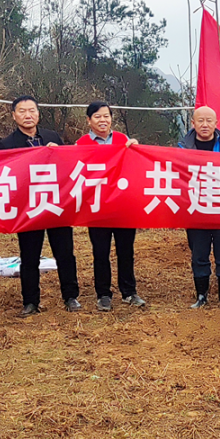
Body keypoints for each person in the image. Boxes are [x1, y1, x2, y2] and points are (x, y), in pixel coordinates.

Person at [0, 95, 81, 316]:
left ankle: (71, 297)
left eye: (31, 110)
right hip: (28, 208)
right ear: (14, 115)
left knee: (65, 253)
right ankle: (30, 301)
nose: (27, 115)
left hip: (55, 204)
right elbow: (4, 175)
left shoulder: (52, 137)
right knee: (29, 256)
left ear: (38, 113)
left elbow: (68, 168)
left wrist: (60, 152)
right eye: (22, 111)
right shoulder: (6, 144)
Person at [75, 101, 145, 311]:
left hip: (123, 207)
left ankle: (129, 292)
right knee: (100, 252)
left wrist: (137, 149)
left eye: (106, 116)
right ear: (88, 120)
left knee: (126, 251)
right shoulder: (81, 144)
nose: (103, 120)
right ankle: (103, 294)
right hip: (97, 208)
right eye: (97, 116)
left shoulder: (124, 140)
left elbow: (136, 167)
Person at [178, 106, 220, 308]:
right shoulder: (181, 148)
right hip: (195, 209)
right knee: (199, 254)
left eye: (209, 121)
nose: (205, 125)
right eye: (200, 121)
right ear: (193, 123)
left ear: (216, 123)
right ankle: (201, 295)